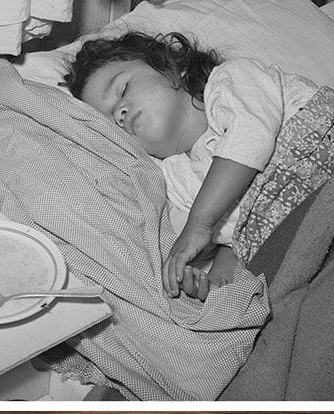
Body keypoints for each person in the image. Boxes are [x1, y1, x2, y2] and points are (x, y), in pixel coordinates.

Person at [65, 31, 318, 299]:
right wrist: (218, 279)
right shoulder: (175, 179)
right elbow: (234, 234)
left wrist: (199, 222)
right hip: (310, 235)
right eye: (110, 120)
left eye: (123, 89)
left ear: (173, 67)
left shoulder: (229, 81)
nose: (120, 113)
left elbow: (251, 135)